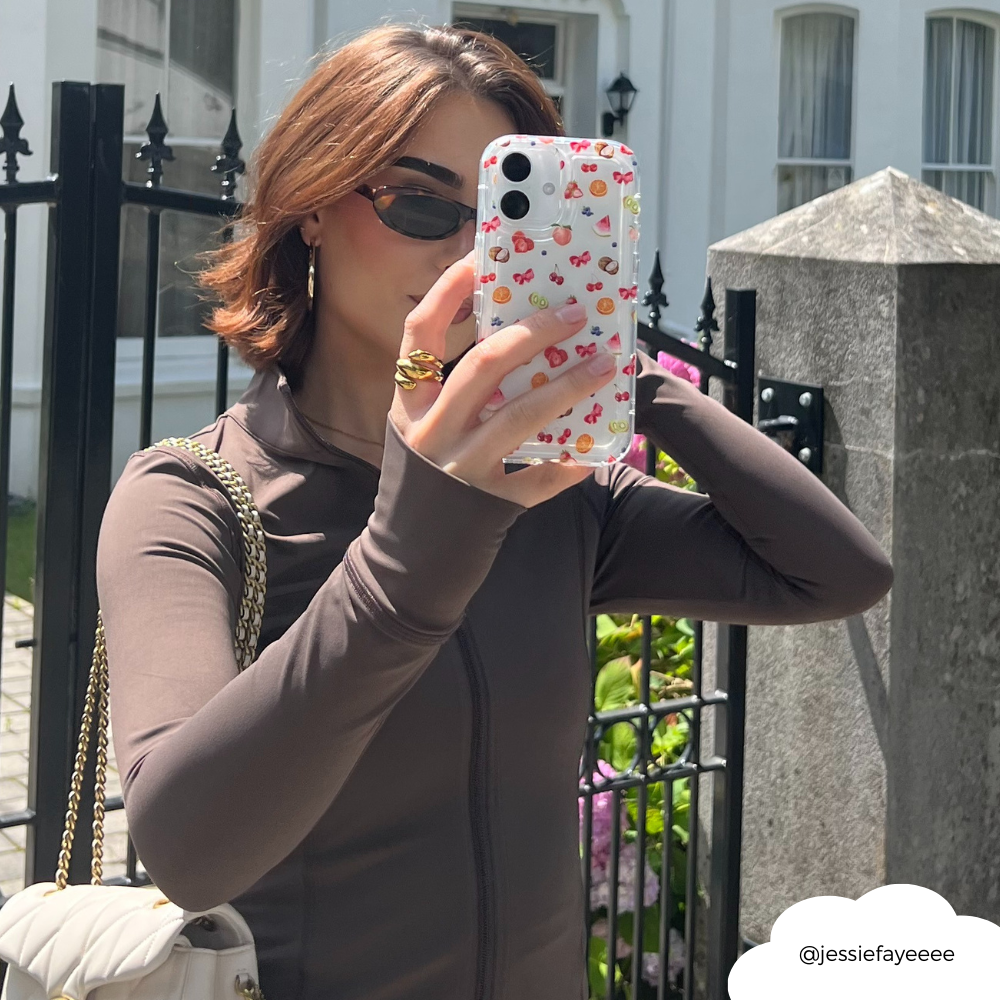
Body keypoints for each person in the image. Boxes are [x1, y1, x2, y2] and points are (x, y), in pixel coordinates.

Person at [95, 22, 893, 1000]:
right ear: (310, 208)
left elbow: (837, 574)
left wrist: (621, 368)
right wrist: (407, 557)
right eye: (423, 204)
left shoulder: (545, 492)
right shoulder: (192, 499)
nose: (475, 256)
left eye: (514, 221)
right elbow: (188, 850)